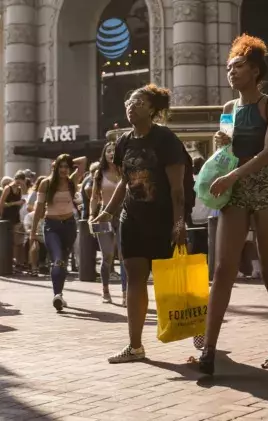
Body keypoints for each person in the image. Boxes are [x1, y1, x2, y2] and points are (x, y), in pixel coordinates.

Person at [199, 34, 268, 376]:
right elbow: (222, 148)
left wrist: (234, 174)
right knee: (223, 269)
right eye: (228, 68)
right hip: (233, 188)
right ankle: (208, 348)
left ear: (254, 70)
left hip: (266, 185)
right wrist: (220, 146)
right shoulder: (228, 110)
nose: (231, 73)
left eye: (237, 67)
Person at [93, 84, 188, 364]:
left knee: (168, 282)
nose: (131, 106)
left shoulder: (166, 139)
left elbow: (177, 189)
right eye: (129, 101)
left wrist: (179, 222)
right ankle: (135, 346)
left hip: (162, 220)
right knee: (134, 278)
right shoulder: (123, 142)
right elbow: (125, 179)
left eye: (138, 102)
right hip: (131, 219)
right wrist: (109, 211)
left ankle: (196, 329)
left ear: (152, 109)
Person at [30, 154, 87, 311]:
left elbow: (83, 161)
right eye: (60, 166)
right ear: (55, 167)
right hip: (51, 226)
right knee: (57, 259)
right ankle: (57, 294)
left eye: (66, 167)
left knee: (63, 261)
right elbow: (39, 209)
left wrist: (67, 161)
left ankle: (59, 295)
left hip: (69, 226)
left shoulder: (71, 182)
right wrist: (33, 232)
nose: (63, 169)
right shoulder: (46, 183)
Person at [89, 142, 127, 305]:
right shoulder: (99, 173)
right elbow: (94, 198)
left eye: (114, 151)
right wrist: (91, 215)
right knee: (107, 256)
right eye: (108, 151)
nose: (111, 153)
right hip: (104, 215)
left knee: (124, 256)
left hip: (123, 213)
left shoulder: (124, 170)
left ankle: (126, 293)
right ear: (104, 155)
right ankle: (105, 289)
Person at [0, 172, 27, 271]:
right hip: (6, 218)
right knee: (8, 241)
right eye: (20, 181)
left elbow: (21, 201)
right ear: (16, 179)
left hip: (16, 217)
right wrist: (16, 203)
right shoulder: (8, 188)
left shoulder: (19, 190)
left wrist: (20, 204)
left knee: (17, 242)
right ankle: (9, 262)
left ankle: (17, 262)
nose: (20, 183)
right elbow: (2, 204)